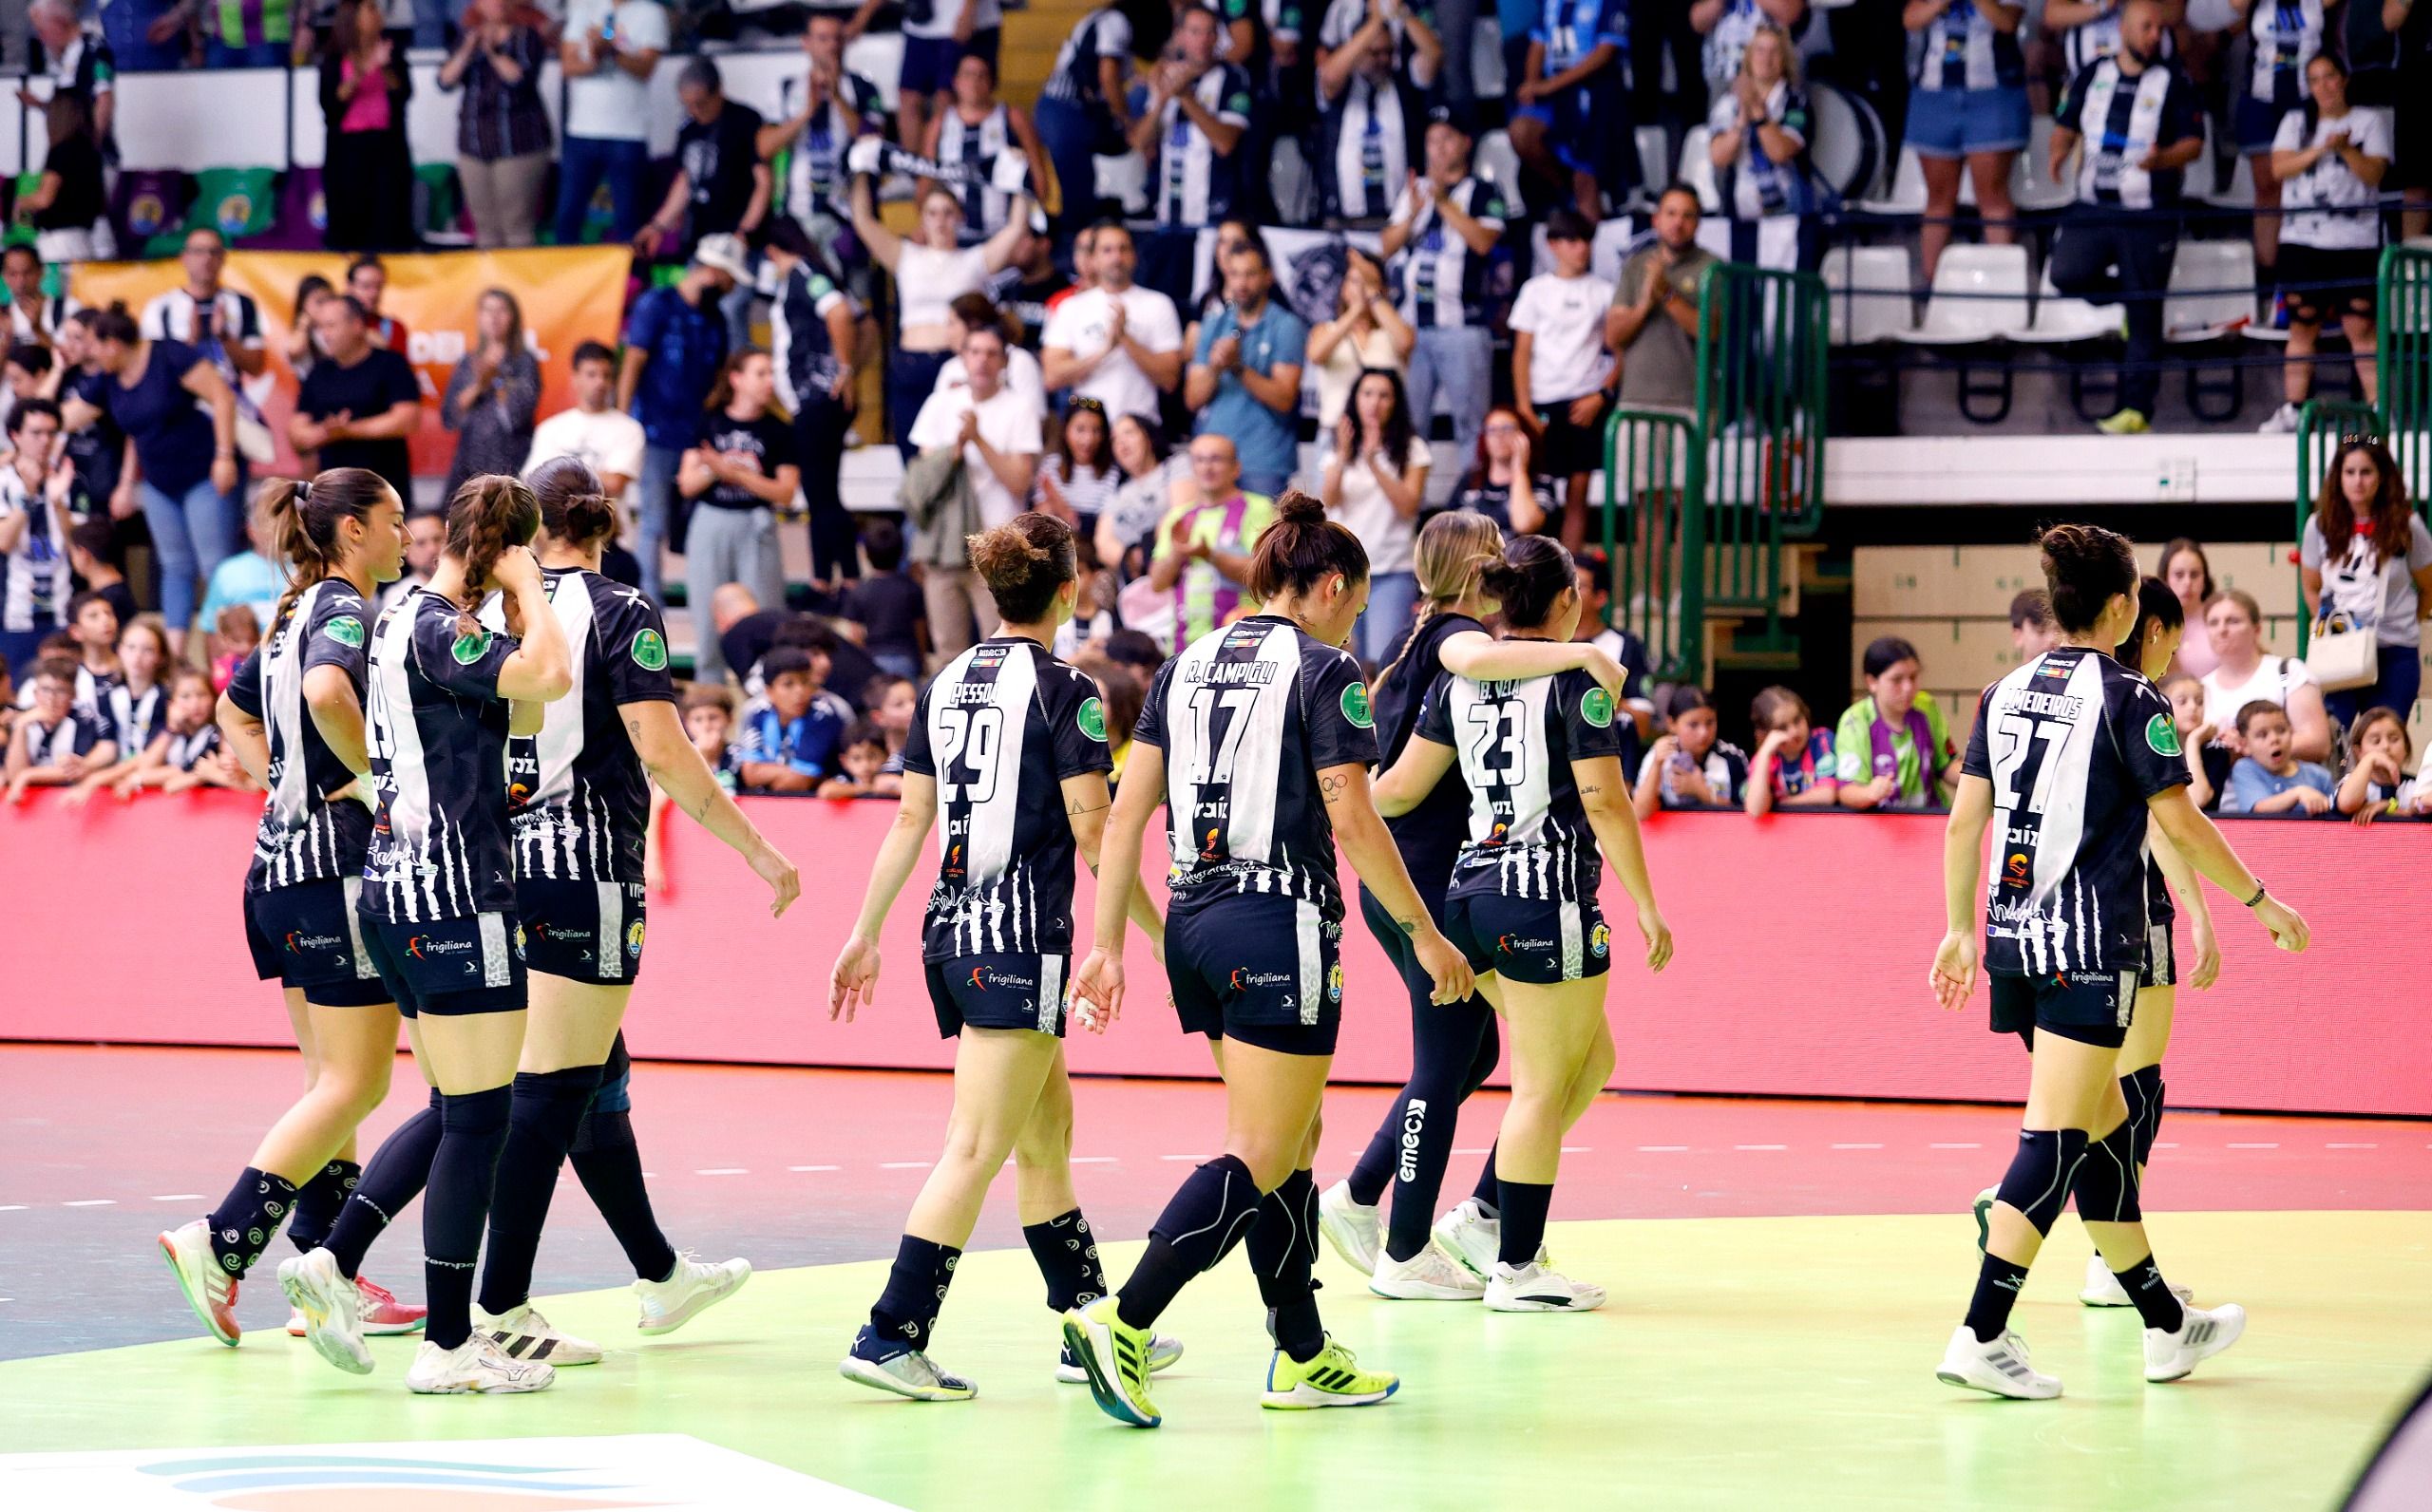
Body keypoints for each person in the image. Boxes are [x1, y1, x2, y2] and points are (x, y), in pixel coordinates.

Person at [1062, 492, 1476, 1428]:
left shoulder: (1185, 664)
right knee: (1259, 1148)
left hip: (1193, 923)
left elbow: (1125, 813)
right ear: (1332, 586)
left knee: (1292, 1139)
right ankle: (1121, 1317)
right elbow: (1353, 816)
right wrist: (1424, 932)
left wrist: (1104, 943)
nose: (1354, 619)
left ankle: (1299, 1348)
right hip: (1276, 922)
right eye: (1357, 601)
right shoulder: (1328, 668)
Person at [1930, 520, 2303, 1400]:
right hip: (2090, 945)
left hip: (2016, 941)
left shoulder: (2000, 691)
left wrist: (1957, 929)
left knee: (2101, 1130)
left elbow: (1963, 823)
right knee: (2056, 1138)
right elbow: (2181, 822)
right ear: (2127, 602)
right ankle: (1981, 1331)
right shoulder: (2131, 697)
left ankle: (2169, 1327)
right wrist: (2261, 902)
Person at [462, 456, 796, 1369]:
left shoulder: (493, 612)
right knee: (549, 1089)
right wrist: (759, 850)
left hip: (500, 866)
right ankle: (498, 1309)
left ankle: (659, 1274)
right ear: (604, 522)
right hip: (586, 867)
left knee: (592, 1073)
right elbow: (663, 749)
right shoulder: (620, 611)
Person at [828, 511, 1171, 1397]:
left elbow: (911, 818)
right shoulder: (1068, 690)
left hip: (953, 934)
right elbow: (1097, 834)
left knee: (1046, 1135)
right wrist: (1158, 941)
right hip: (1020, 942)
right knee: (976, 1147)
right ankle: (888, 1335)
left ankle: (1089, 1324)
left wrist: (865, 931)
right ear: (1070, 588)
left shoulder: (945, 682)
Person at [282, 473, 576, 1396]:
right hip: (455, 893)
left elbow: (519, 711)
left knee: (457, 1105)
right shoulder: (439, 620)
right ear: (499, 548)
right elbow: (551, 677)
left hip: (396, 888)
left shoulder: (404, 616)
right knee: (481, 1115)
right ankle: (447, 1342)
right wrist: (530, 584)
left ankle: (336, 1255)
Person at [1318, 513, 1633, 1298]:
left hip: (1434, 877)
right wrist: (1587, 652)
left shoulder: (1419, 644)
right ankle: (1401, 1245)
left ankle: (1403, 1202)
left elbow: (1389, 784)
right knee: (1450, 1060)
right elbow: (1475, 661)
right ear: (1474, 569)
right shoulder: (1457, 638)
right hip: (1428, 881)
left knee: (1514, 1057)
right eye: (1495, 556)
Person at [154, 469, 426, 1357]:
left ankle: (323, 1269)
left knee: (330, 1086)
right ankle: (222, 1241)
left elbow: (236, 717)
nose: (404, 535)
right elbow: (326, 696)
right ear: (350, 531)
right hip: (337, 871)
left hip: (280, 869)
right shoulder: (343, 609)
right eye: (391, 521)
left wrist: (283, 778)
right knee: (362, 1081)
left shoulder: (285, 618)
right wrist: (376, 780)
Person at [2046, 0, 2206, 436]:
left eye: (2159, 28)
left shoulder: (2174, 80)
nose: (2155, 35)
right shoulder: (2093, 72)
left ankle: (2136, 409)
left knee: (2144, 311)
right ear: (2123, 29)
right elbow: (2068, 120)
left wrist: (2163, 160)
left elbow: (2194, 144)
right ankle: (2129, 298)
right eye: (2146, 27)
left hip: (2148, 212)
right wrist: (2059, 148)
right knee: (2065, 274)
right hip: (2092, 206)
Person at [66, 306, 239, 655]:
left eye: (93, 346)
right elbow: (68, 418)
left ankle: (229, 656)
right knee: (174, 566)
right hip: (159, 481)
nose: (90, 354)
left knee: (214, 566)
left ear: (113, 343)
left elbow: (222, 397)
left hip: (202, 471)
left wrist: (225, 456)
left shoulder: (169, 354)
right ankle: (175, 660)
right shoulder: (109, 378)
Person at [850, 175, 1036, 463]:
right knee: (914, 462)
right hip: (911, 364)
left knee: (955, 454)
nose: (940, 221)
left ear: (960, 217)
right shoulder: (906, 256)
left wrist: (1019, 180)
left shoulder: (974, 260)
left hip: (955, 364)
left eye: (948, 213)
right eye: (932, 213)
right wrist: (861, 173)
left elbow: (1015, 228)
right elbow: (862, 220)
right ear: (921, 218)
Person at [2257, 53, 2389, 433]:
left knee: (2361, 328)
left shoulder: (2368, 121)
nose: (2324, 86)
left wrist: (2347, 150)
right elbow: (2279, 169)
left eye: (2330, 77)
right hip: (2302, 242)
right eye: (2315, 80)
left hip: (2355, 241)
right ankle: (2296, 410)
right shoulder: (2296, 123)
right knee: (2303, 327)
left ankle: (2379, 412)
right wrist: (2323, 147)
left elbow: (2374, 173)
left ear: (2343, 79)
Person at [1383, 112, 1508, 495]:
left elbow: (1484, 242)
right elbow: (1386, 247)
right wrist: (1416, 212)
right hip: (1412, 329)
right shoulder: (1414, 191)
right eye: (1432, 140)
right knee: (1408, 423)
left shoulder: (1485, 191)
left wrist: (1443, 203)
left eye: (1447, 139)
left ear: (1465, 143)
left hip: (1463, 327)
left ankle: (1475, 508)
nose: (1438, 148)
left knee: (1472, 425)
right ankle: (1407, 509)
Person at [908, 322, 1045, 659]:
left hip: (998, 546)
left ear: (1004, 362)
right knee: (947, 649)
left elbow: (1020, 481)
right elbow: (924, 477)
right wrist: (956, 447)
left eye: (991, 353)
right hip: (946, 544)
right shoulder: (940, 403)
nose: (982, 361)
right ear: (963, 358)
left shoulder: (1019, 407)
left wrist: (977, 438)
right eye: (975, 352)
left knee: (1002, 647)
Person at [620, 236, 744, 605]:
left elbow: (720, 370)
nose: (729, 289)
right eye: (727, 280)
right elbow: (633, 362)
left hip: (696, 435)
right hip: (656, 431)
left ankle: (706, 597)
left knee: (696, 523)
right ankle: (650, 601)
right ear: (711, 272)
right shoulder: (656, 305)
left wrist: (713, 411)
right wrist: (625, 421)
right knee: (654, 521)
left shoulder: (715, 317)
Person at [679, 348, 799, 681]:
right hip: (711, 520)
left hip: (756, 522)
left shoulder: (779, 430)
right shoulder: (710, 421)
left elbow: (786, 492)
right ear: (737, 379)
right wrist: (715, 472)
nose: (769, 382)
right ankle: (710, 696)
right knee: (706, 613)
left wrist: (734, 472)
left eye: (770, 374)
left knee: (764, 613)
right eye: (760, 373)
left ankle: (765, 691)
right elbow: (687, 484)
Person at [639, 59, 772, 350]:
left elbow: (763, 183)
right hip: (701, 238)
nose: (694, 111)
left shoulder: (745, 121)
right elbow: (685, 182)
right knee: (694, 309)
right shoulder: (689, 130)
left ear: (718, 92)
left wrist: (744, 233)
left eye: (700, 103)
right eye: (687, 105)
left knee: (730, 309)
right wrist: (658, 225)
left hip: (736, 238)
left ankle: (736, 377)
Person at [2299, 440, 2431, 727]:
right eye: (2350, 472)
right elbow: (2310, 586)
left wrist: (2405, 620)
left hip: (2395, 650)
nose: (2358, 481)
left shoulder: (2408, 525)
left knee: (2383, 737)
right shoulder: (2319, 525)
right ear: (2338, 477)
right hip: (2339, 648)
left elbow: (2428, 587)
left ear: (2382, 476)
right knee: (2335, 734)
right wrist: (2328, 626)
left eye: (2366, 472)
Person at [759, 12, 888, 302]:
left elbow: (874, 144)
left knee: (852, 301)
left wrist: (839, 100)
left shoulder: (862, 88)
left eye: (838, 38)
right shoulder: (786, 89)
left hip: (848, 216)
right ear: (806, 43)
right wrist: (806, 113)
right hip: (797, 213)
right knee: (794, 299)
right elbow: (765, 147)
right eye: (822, 38)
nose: (831, 46)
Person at [763, 219, 862, 592]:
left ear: (772, 250)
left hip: (817, 397)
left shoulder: (804, 272)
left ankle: (844, 578)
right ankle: (826, 576)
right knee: (821, 494)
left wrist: (846, 368)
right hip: (814, 400)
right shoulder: (806, 274)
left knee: (822, 495)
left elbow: (839, 312)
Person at [1513, 210, 1614, 555]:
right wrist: (1525, 407)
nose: (1581, 248)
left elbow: (1621, 351)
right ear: (1552, 244)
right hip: (1542, 401)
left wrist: (1601, 395)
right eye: (1572, 240)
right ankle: (1532, 568)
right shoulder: (1535, 291)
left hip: (1585, 401)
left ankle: (1568, 574)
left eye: (1586, 240)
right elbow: (1522, 353)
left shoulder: (1603, 292)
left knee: (1578, 490)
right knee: (1538, 485)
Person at [1905, 0, 2026, 283]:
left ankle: (2003, 290)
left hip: (1993, 94)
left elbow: (2008, 22)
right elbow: (1911, 18)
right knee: (1938, 199)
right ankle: (1932, 290)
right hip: (1934, 95)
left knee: (1993, 197)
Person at [1186, 240, 1308, 501]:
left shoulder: (1286, 326)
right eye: (1234, 274)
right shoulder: (1214, 323)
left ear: (1268, 276)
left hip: (1262, 460)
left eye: (1250, 274)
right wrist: (1216, 368)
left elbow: (1285, 399)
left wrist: (1238, 368)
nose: (1241, 283)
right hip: (1212, 459)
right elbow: (1193, 399)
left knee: (1261, 539)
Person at [1323, 368, 1430, 665]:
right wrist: (1344, 457)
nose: (1374, 402)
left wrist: (1373, 463)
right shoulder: (1340, 447)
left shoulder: (1412, 448)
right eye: (1367, 393)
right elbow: (1328, 501)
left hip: (1392, 567)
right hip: (1345, 571)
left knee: (1384, 660)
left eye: (1384, 395)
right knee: (1345, 658)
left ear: (1396, 403)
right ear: (1355, 399)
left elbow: (1408, 505)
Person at [1042, 224, 1186, 427]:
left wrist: (1125, 338)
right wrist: (1105, 349)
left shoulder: (1158, 304)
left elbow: (1170, 379)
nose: (1116, 258)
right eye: (1107, 250)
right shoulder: (1071, 308)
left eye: (1123, 249)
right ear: (1093, 259)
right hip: (1089, 430)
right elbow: (1052, 377)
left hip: (1141, 426)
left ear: (1135, 256)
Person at [2227, 0, 2327, 289]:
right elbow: (2236, 4)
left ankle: (2305, 271)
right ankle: (2269, 278)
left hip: (2309, 97)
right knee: (2268, 186)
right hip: (2262, 97)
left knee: (2308, 186)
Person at [1130, 6, 1255, 231]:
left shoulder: (1233, 78)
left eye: (1210, 32)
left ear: (1218, 38)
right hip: (1168, 214)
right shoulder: (1164, 75)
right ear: (1179, 36)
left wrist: (1186, 97)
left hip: (1217, 214)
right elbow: (1139, 143)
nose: (1203, 40)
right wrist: (1162, 101)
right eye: (1195, 32)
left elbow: (1225, 144)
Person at [440, 0, 553, 250]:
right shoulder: (466, 38)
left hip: (518, 142)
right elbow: (444, 81)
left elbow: (519, 79)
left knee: (516, 226)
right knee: (484, 228)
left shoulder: (526, 37)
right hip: (474, 143)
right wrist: (468, 50)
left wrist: (492, 51)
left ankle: (519, 286)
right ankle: (490, 287)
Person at [555, 0, 669, 247]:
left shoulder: (650, 12)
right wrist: (596, 57)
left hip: (627, 132)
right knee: (567, 216)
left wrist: (612, 50)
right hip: (582, 130)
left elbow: (646, 68)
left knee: (628, 219)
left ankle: (632, 281)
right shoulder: (585, 9)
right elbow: (568, 65)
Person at [293, 296, 424, 506]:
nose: (325, 334)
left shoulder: (390, 364)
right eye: (320, 327)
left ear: (356, 325)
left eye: (331, 326)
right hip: (333, 497)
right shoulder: (318, 373)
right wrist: (327, 432)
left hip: (385, 492)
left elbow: (408, 419)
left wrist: (349, 430)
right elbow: (296, 433)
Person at [1706, 24, 1817, 271]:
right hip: (1741, 216)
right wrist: (1740, 121)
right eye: (1759, 50)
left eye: (1774, 51)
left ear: (1785, 59)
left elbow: (1780, 151)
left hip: (1791, 219)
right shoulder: (1728, 103)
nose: (1766, 59)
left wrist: (1758, 113)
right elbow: (1718, 156)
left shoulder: (1796, 102)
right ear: (1748, 56)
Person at [1315, 6, 1439, 223]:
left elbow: (1434, 55)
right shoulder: (1341, 89)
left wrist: (1401, 12)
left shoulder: (1404, 85)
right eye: (1374, 52)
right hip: (1345, 218)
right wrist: (1375, 21)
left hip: (1399, 219)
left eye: (1388, 52)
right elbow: (1329, 75)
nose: (1382, 59)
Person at [1150, 433, 1275, 648]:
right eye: (1200, 460)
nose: (1207, 467)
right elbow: (1157, 583)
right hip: (1185, 644)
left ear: (1236, 468)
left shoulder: (1259, 508)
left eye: (1216, 459)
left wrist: (1210, 555)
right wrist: (1178, 553)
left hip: (1242, 643)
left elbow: (1265, 574)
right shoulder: (1177, 517)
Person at [1510, 0, 1630, 217]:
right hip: (1552, 100)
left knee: (1586, 175)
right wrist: (1532, 84)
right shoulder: (1550, 3)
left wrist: (1550, 85)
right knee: (1521, 131)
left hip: (1595, 95)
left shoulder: (1610, 3)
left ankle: (1587, 206)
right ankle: (1563, 189)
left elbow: (1605, 52)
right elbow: (1538, 44)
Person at [318, 0, 416, 253]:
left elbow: (403, 93)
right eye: (371, 9)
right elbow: (330, 102)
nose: (378, 14)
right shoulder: (335, 57)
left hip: (386, 148)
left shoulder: (391, 50)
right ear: (354, 18)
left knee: (388, 216)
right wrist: (363, 69)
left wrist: (384, 68)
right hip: (348, 152)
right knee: (350, 216)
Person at [922, 54, 1050, 243]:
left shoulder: (1012, 118)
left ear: (992, 82)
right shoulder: (939, 124)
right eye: (968, 75)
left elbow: (1039, 176)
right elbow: (925, 179)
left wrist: (1028, 226)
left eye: (981, 75)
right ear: (955, 81)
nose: (974, 82)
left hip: (1007, 235)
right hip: (954, 235)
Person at [1036, 5, 1137, 238]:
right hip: (1066, 110)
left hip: (1072, 112)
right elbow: (1108, 76)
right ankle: (1074, 254)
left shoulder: (1103, 19)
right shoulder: (1116, 21)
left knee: (1086, 192)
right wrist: (1126, 120)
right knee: (1078, 197)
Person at [2198, 587, 2332, 763]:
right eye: (2213, 623)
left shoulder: (2288, 672)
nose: (2222, 629)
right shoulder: (2200, 689)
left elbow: (2318, 743)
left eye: (2233, 621)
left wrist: (2248, 748)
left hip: (2286, 787)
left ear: (2257, 629)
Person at [526, 341, 646, 532]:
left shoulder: (629, 429)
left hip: (608, 535)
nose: (600, 382)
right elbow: (535, 483)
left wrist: (560, 474)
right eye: (592, 374)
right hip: (557, 536)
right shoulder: (550, 429)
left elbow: (615, 483)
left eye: (606, 375)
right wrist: (595, 475)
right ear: (575, 378)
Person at [1834, 634, 1961, 808]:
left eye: (1913, 677)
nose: (1908, 688)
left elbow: (1946, 765)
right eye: (1897, 680)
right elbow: (1846, 791)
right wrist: (1869, 793)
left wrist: (1985, 780)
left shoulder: (1927, 706)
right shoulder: (1855, 721)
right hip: (1881, 825)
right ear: (1872, 682)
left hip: (1930, 819)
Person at [441, 290, 540, 503]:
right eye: (488, 310)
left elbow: (519, 416)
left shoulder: (524, 361)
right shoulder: (468, 361)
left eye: (502, 310)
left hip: (511, 462)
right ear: (479, 316)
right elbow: (450, 415)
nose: (494, 317)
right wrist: (480, 384)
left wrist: (499, 379)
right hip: (469, 463)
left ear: (513, 317)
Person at [0, 399, 75, 679]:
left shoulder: (69, 480)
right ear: (15, 435)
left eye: (51, 433)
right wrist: (28, 496)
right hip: (13, 615)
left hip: (60, 614)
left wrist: (57, 503)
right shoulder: (3, 480)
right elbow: (4, 542)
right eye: (36, 433)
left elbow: (81, 553)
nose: (45, 441)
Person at [1308, 248, 1414, 435]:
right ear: (1343, 287)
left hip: (1385, 435)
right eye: (1354, 281)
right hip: (1336, 432)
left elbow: (1406, 342)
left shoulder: (1395, 330)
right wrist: (1355, 310)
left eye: (1367, 282)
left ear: (1383, 288)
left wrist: (1373, 295)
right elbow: (1316, 355)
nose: (1360, 288)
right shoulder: (1326, 329)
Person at [4, 654, 115, 803]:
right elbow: (14, 776)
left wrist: (28, 775)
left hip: (64, 798)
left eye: (60, 691)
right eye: (45, 690)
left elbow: (73, 770)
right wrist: (21, 728)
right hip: (31, 801)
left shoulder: (83, 723)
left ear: (73, 695)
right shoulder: (25, 719)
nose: (51, 699)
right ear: (35, 694)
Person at [736, 645, 849, 789]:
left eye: (805, 682)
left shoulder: (823, 715)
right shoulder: (759, 713)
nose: (800, 691)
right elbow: (750, 775)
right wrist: (787, 773)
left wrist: (767, 774)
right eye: (788, 684)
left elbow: (799, 782)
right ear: (769, 691)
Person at [22, 94, 109, 265]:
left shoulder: (61, 151)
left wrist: (22, 202)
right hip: (83, 238)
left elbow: (44, 199)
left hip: (59, 241)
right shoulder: (91, 151)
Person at [1633, 685, 1749, 812]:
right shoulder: (1659, 756)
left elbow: (1746, 813)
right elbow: (1640, 813)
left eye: (1710, 723)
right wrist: (1656, 765)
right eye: (1693, 725)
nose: (1703, 733)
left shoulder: (1732, 757)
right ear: (1671, 724)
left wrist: (1701, 791)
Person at [1096, 412, 1181, 578]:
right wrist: (1133, 560)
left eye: (1129, 433)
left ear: (1149, 437)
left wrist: (1151, 556)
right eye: (1114, 439)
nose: (1121, 442)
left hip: (1174, 568)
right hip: (1134, 579)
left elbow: (1181, 516)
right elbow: (1103, 544)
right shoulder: (1116, 492)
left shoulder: (1175, 467)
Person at [841, 520, 928, 680]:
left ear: (866, 553)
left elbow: (855, 634)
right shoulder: (911, 588)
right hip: (906, 657)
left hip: (872, 658)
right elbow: (920, 628)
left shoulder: (859, 591)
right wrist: (921, 659)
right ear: (902, 552)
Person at [2219, 701, 2338, 814]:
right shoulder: (2245, 769)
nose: (2274, 739)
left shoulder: (2320, 776)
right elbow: (2259, 809)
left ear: (2292, 732)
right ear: (2245, 745)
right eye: (2262, 735)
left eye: (2281, 730)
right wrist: (2298, 793)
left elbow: (2337, 815)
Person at [1449, 408, 1552, 537]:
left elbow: (1525, 524)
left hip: (1519, 555)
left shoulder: (1540, 481)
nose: (1499, 435)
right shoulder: (1470, 480)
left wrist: (1519, 471)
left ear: (1523, 436)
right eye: (1491, 430)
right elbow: (1449, 530)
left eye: (1508, 428)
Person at [1743, 684, 1837, 814]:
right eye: (1782, 728)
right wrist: (1765, 753)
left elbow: (1827, 795)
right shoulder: (1765, 757)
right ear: (1766, 735)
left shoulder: (1821, 740)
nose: (1794, 731)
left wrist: (1784, 805)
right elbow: (1755, 810)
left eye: (1797, 720)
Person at [1034, 396, 1121, 535]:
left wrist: (1066, 512)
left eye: (1096, 431)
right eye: (1080, 430)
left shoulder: (1112, 472)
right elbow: (1039, 514)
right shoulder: (1050, 465)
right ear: (1066, 430)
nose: (1088, 439)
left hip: (1090, 546)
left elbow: (1104, 526)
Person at [2334, 705, 2428, 820]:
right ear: (2358, 751)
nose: (2385, 746)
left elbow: (2419, 811)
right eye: (2376, 741)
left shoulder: (2416, 787)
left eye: (2394, 739)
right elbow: (2347, 803)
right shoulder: (2350, 782)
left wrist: (2389, 807)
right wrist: (2370, 759)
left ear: (2406, 747)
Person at [2158, 537, 2215, 676]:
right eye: (2179, 575)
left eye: (2194, 574)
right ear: (2165, 578)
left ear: (2205, 579)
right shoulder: (2154, 624)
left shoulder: (2220, 618)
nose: (2187, 582)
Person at [4, 244, 76, 349]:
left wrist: (38, 329)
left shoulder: (68, 308)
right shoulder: (3, 316)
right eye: (13, 274)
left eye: (27, 273)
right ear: (4, 276)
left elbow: (72, 359)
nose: (21, 281)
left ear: (40, 271)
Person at [376, 508, 444, 617]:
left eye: (438, 539)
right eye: (421, 543)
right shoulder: (397, 597)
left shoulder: (472, 586)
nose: (432, 549)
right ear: (406, 550)